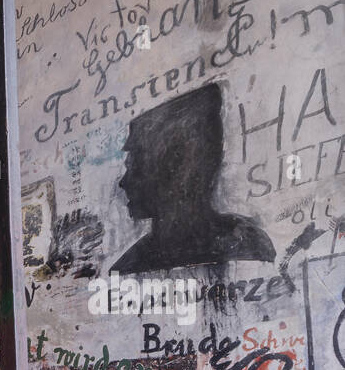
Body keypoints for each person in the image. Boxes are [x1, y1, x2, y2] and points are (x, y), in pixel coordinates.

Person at [113, 83, 273, 274]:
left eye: (136, 166)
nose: (124, 182)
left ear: (177, 167)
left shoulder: (246, 245)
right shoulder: (132, 264)